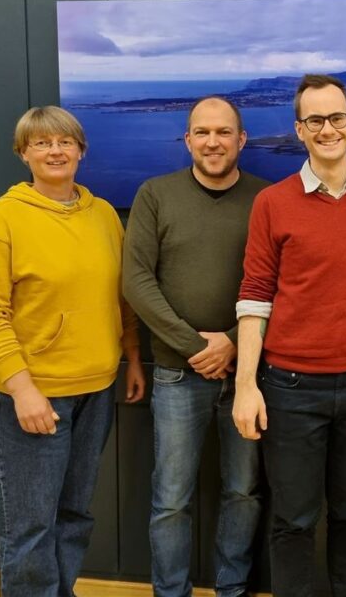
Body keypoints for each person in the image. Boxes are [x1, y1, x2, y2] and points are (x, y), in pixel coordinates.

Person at [232, 74, 346, 597]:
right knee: (294, 519)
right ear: (299, 130)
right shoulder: (273, 204)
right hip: (289, 387)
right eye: (315, 120)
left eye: (337, 118)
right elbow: (254, 296)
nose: (327, 128)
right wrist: (246, 384)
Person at [0, 106, 145, 597]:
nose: (55, 151)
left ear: (81, 150)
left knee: (73, 516)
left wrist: (130, 355)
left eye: (64, 142)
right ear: (23, 154)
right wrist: (22, 390)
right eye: (41, 143)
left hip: (97, 391)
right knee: (28, 528)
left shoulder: (103, 214)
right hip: (35, 397)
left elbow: (121, 296)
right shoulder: (0, 220)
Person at [122, 97, 268, 597]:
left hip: (247, 372)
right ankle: (171, 592)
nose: (213, 142)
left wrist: (230, 343)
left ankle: (232, 589)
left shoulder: (266, 199)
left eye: (224, 132)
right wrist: (192, 346)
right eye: (202, 132)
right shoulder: (155, 194)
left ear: (241, 140)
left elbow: (286, 281)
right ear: (187, 140)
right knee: (171, 500)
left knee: (244, 492)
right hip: (174, 373)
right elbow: (137, 280)